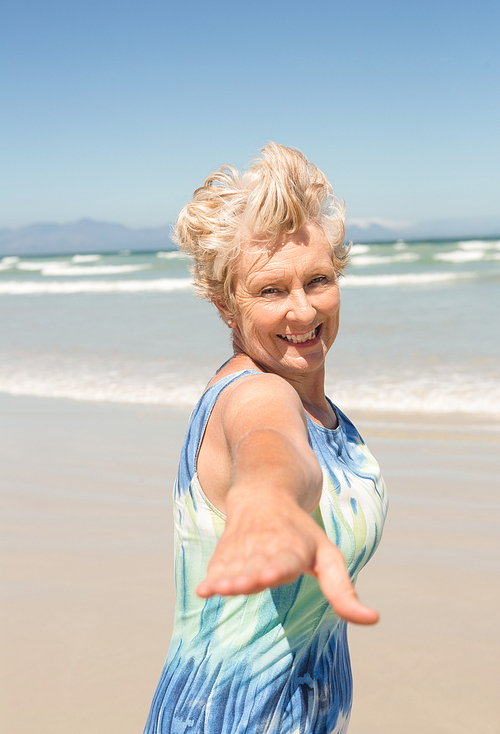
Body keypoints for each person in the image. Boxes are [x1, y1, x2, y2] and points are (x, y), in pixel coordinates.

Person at [143, 143, 388, 734]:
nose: (303, 311)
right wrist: (269, 505)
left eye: (318, 280)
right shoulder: (255, 394)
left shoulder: (317, 402)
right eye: (271, 290)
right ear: (228, 307)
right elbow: (269, 450)